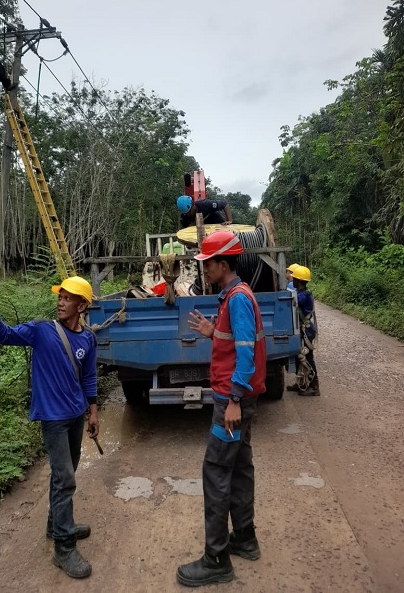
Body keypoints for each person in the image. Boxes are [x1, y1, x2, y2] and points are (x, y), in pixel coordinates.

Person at [0, 275, 99, 579]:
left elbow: (88, 377)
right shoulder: (41, 331)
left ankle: (56, 524)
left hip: (75, 415)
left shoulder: (88, 338)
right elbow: (2, 335)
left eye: (67, 297)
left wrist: (93, 412)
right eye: (60, 296)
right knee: (65, 478)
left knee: (65, 473)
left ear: (81, 306)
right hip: (53, 419)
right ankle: (64, 548)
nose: (60, 301)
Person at [177, 230, 266, 587]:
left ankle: (216, 559)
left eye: (207, 264)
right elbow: (236, 342)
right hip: (241, 397)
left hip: (233, 400)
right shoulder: (234, 297)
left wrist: (232, 401)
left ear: (223, 264)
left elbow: (245, 355)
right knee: (241, 468)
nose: (204, 270)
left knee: (215, 471)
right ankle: (245, 538)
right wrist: (214, 333)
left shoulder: (239, 299)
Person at [287, 265, 319, 396]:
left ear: (299, 281)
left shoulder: (303, 296)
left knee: (308, 358)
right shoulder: (301, 293)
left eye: (294, 278)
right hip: (303, 329)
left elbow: (291, 302)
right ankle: (302, 382)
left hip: (306, 331)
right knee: (299, 357)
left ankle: (314, 387)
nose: (292, 280)